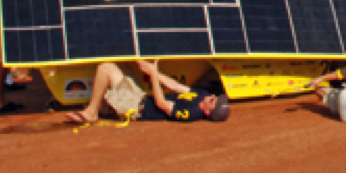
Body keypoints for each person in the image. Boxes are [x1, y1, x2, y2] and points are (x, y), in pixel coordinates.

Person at [64, 59, 229, 124]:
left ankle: (92, 112)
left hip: (136, 108)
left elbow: (161, 103)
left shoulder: (189, 113)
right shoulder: (202, 95)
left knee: (105, 68)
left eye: (214, 101)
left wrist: (153, 74)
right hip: (140, 96)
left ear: (208, 112)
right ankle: (105, 107)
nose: (212, 97)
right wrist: (150, 69)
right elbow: (174, 86)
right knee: (120, 63)